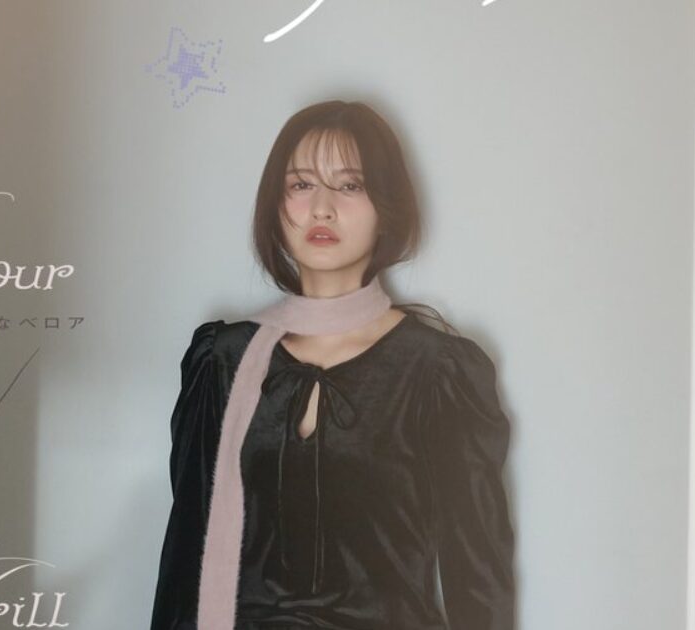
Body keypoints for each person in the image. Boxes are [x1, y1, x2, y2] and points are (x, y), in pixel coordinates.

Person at [150, 100, 516, 630]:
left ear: (387, 206)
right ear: (275, 203)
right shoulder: (221, 361)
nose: (321, 208)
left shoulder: (437, 373)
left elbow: (477, 580)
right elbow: (185, 561)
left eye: (350, 185)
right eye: (301, 184)